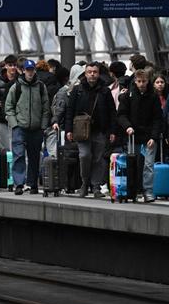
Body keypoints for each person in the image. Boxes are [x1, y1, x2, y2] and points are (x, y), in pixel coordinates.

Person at [65, 62, 118, 198]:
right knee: (84, 156)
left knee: (98, 159)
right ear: (85, 74)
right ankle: (84, 182)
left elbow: (112, 112)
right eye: (89, 72)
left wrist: (112, 131)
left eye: (95, 72)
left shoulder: (104, 91)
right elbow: (70, 110)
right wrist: (69, 129)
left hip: (100, 130)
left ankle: (95, 186)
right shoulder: (78, 90)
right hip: (81, 131)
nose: (92, 74)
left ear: (98, 74)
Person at [4, 60, 51, 195]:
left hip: (36, 128)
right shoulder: (16, 87)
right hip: (20, 127)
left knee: (34, 157)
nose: (30, 72)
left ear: (35, 70)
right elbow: (9, 107)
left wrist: (43, 126)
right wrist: (14, 124)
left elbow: (46, 108)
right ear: (23, 71)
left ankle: (32, 183)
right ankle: (19, 184)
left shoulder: (41, 87)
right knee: (18, 155)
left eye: (32, 70)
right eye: (28, 70)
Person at [117, 69, 163, 203]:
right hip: (132, 136)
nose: (142, 84)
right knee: (133, 164)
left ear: (148, 81)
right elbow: (121, 115)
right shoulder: (128, 96)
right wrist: (127, 126)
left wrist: (154, 137)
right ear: (135, 81)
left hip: (148, 136)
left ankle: (148, 191)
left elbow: (157, 118)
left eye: (144, 81)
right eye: (139, 81)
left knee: (148, 165)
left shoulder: (153, 97)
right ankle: (133, 190)